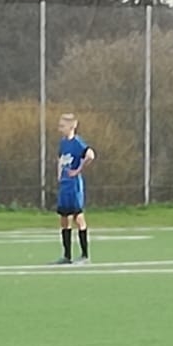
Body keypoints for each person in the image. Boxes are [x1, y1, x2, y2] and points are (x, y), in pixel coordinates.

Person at [53, 112, 94, 264]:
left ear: (71, 127)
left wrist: (78, 170)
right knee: (64, 219)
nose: (60, 129)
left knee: (78, 217)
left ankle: (84, 255)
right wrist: (59, 174)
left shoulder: (77, 143)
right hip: (64, 186)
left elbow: (90, 155)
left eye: (63, 126)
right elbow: (60, 159)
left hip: (74, 186)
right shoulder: (63, 143)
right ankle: (67, 255)